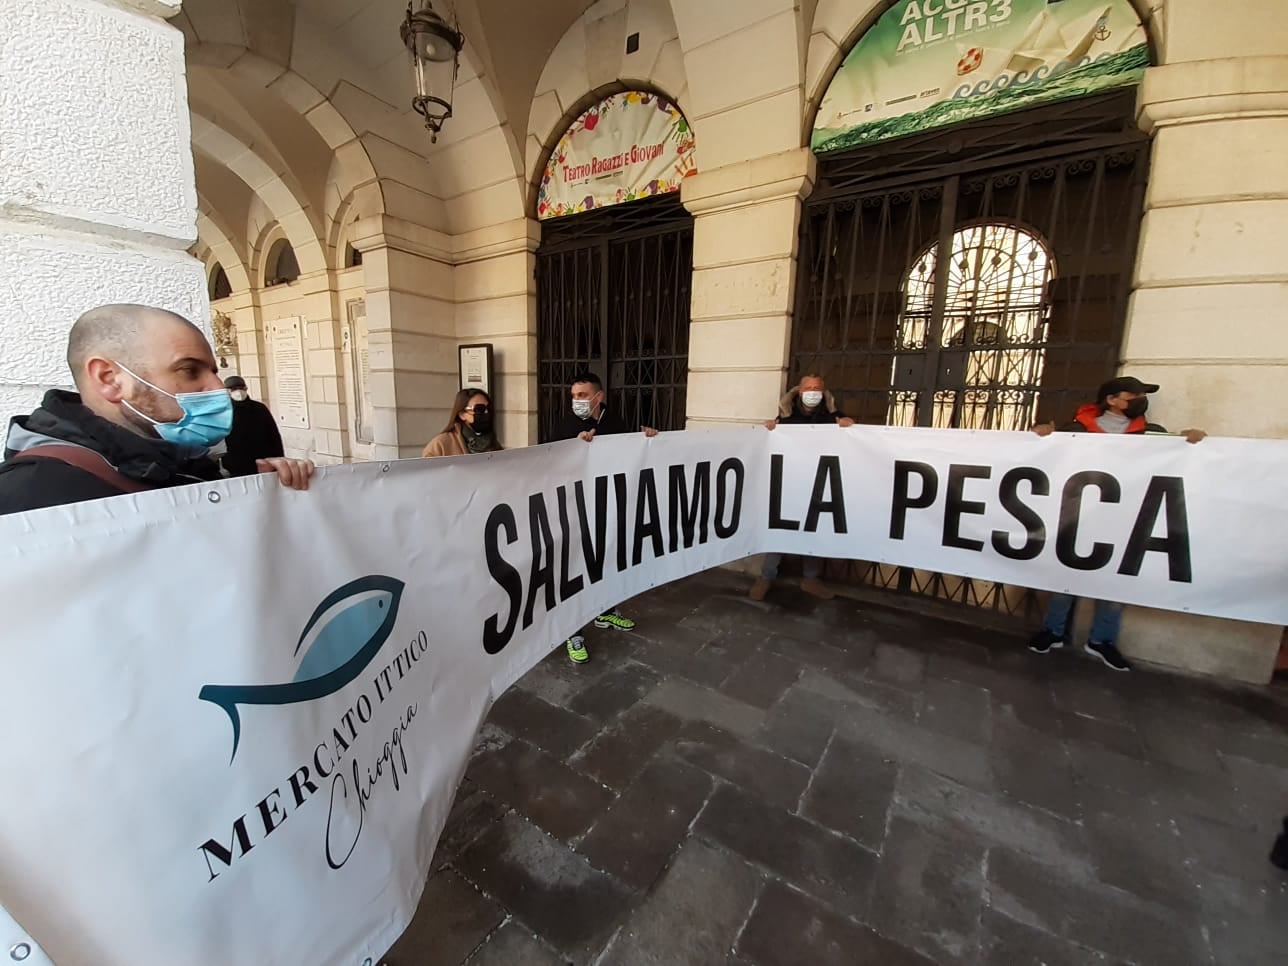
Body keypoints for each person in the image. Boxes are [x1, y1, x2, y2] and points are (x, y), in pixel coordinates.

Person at [0, 304, 314, 516]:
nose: (218, 389)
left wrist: (256, 492)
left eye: (213, 371)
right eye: (190, 371)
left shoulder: (189, 465)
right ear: (110, 379)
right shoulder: (28, 497)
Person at [1026, 376, 1206, 671]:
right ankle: (1053, 631)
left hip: (1125, 518)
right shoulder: (1075, 430)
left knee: (1115, 581)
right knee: (1064, 576)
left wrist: (1191, 443)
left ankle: (1102, 640)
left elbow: (1175, 457)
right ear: (1111, 399)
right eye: (1132, 395)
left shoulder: (1153, 434)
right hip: (1077, 514)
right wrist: (1041, 434)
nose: (1139, 400)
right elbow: (1044, 452)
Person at [549, 371, 657, 664]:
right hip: (575, 510)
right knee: (575, 571)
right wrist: (574, 447)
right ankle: (573, 631)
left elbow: (632, 446)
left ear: (599, 397)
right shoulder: (565, 425)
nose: (576, 401)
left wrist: (647, 437)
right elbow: (547, 460)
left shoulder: (614, 421)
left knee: (606, 563)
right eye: (573, 396)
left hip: (608, 509)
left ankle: (605, 611)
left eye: (582, 396)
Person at [751, 374, 856, 602]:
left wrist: (848, 427)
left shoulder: (832, 417)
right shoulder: (787, 417)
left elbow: (848, 438)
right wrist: (770, 428)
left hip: (819, 484)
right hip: (790, 482)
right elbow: (774, 437)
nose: (813, 392)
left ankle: (811, 579)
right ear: (800, 391)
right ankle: (766, 577)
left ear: (823, 391)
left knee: (815, 529)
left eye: (817, 388)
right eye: (808, 388)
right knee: (780, 529)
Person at [221, 376, 285, 477]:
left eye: (241, 388)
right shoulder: (223, 412)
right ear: (227, 391)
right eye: (233, 389)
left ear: (246, 389)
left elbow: (274, 435)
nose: (238, 392)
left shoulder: (259, 408)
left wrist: (279, 459)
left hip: (263, 463)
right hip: (236, 465)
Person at [423, 389, 503, 457]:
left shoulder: (492, 442)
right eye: (479, 409)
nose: (486, 413)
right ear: (462, 414)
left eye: (488, 408)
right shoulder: (441, 444)